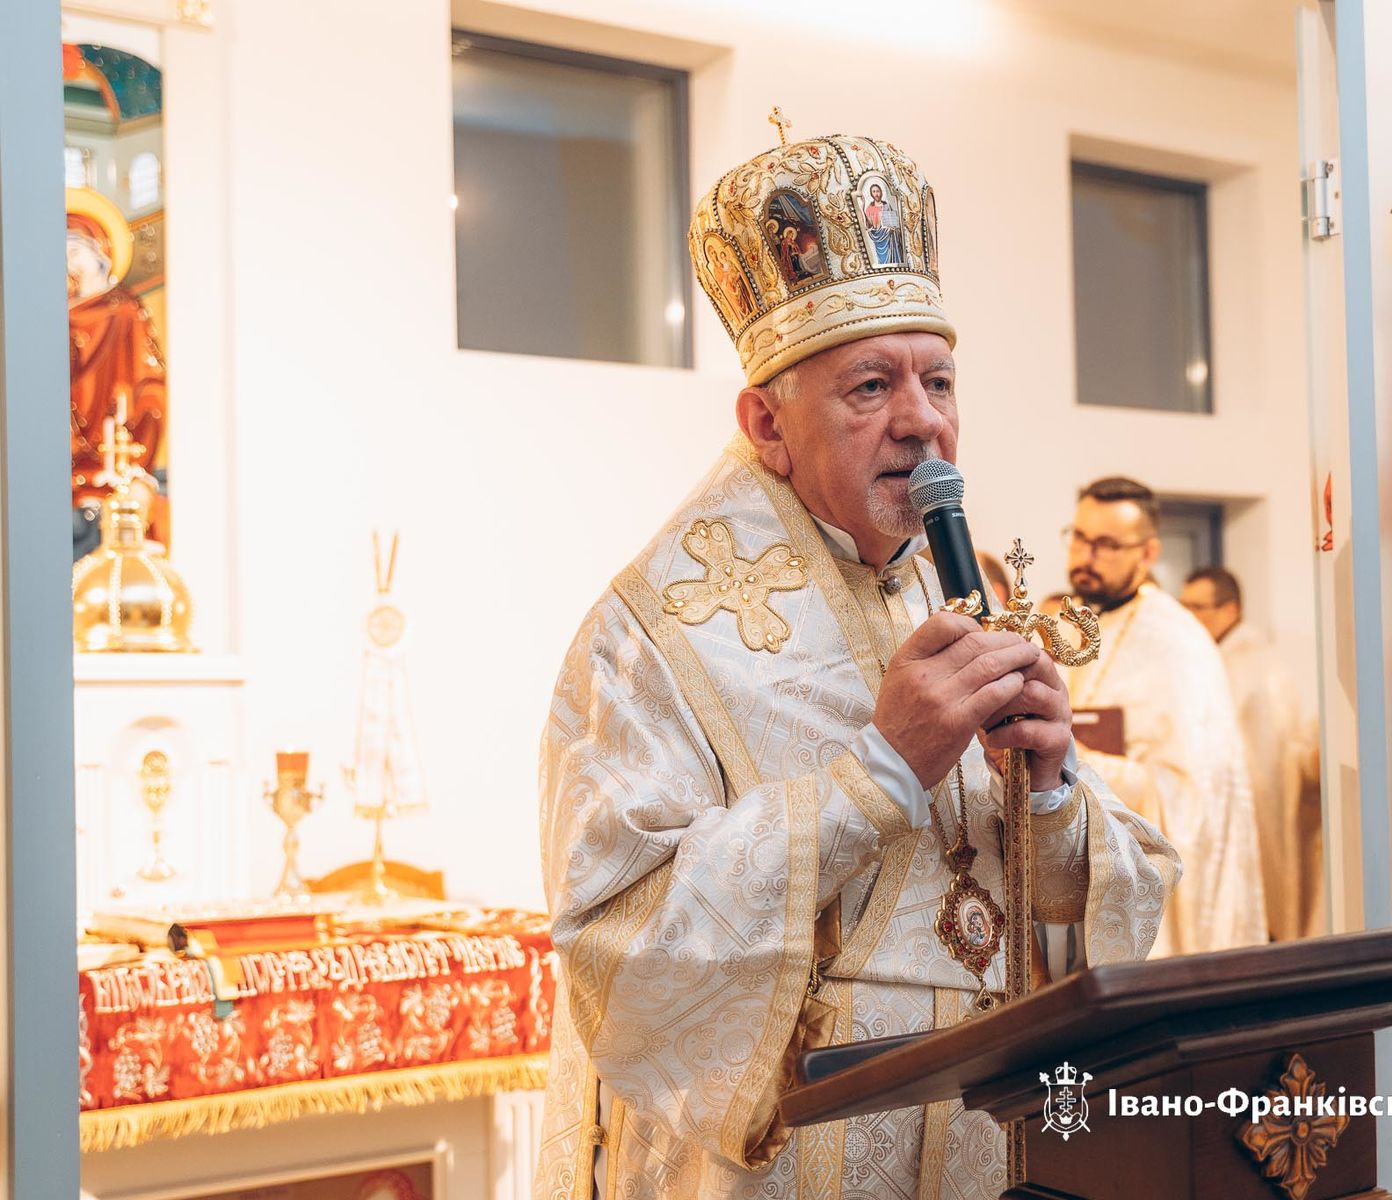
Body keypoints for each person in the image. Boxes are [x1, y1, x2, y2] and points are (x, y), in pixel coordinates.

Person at [538, 130, 1176, 1200]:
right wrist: (878, 772)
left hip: (984, 1134)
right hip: (792, 1157)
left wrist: (1057, 791)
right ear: (766, 424)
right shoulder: (652, 637)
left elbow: (1098, 903)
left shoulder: (964, 593)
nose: (923, 422)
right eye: (871, 386)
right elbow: (619, 947)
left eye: (939, 381)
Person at [1059, 477, 1265, 955]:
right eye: (1081, 537)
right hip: (1079, 871)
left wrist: (1078, 760)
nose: (1086, 557)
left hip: (1149, 898)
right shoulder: (1076, 625)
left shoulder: (1179, 642)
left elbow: (1195, 801)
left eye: (1107, 544)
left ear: (1148, 552)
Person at [1180, 567, 1322, 942]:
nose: (1189, 617)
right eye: (1184, 606)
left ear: (1230, 610)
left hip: (1255, 817)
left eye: (1198, 607)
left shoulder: (1252, 665)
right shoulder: (1210, 658)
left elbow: (1266, 758)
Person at [67, 186, 166, 551]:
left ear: (102, 256)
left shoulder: (123, 311)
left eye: (75, 252)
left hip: (113, 458)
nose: (68, 265)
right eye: (59, 255)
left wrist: (139, 458)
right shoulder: (54, 319)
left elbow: (149, 387)